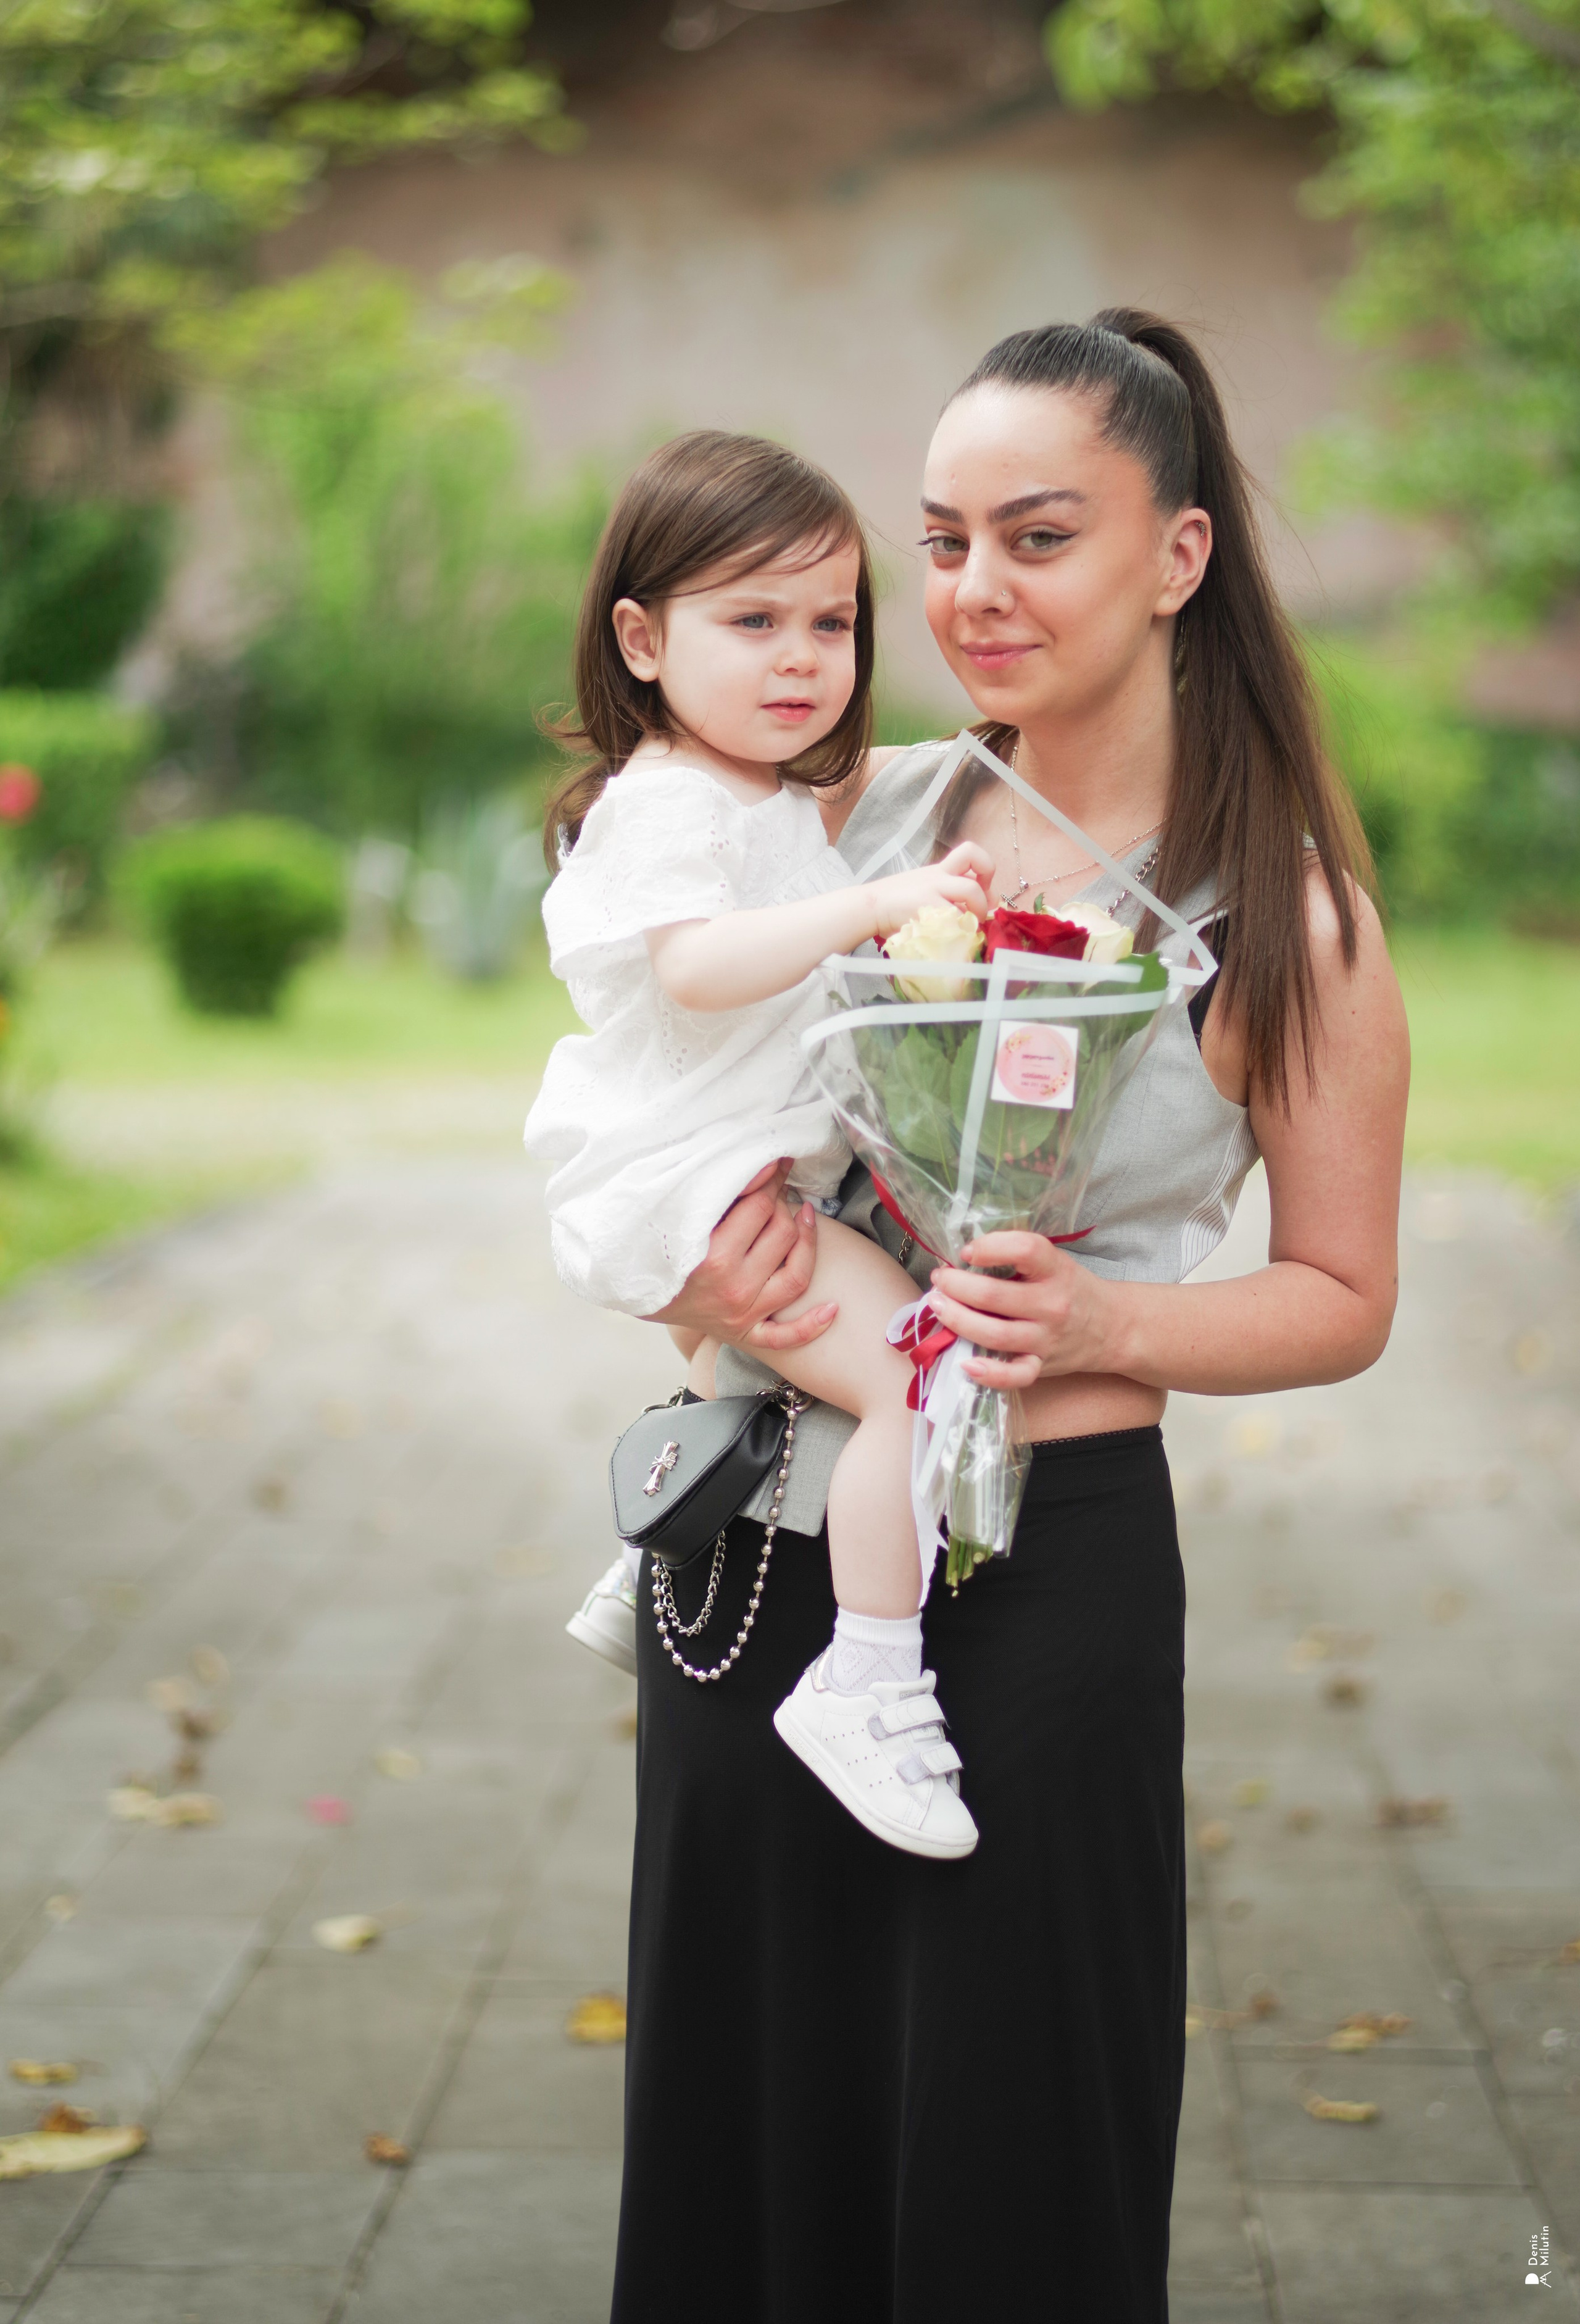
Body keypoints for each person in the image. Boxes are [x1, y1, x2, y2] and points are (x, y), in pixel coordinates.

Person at [609, 312, 1410, 2323]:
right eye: (944, 540)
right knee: (745, 2157)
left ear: (1181, 554)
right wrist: (695, 1271)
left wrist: (1102, 1321)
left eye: (1036, 536)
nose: (971, 592)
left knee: (1008, 2172)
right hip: (763, 1566)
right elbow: (659, 1068)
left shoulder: (1276, 912)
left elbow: (1340, 1299)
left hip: (1051, 1597)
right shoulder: (843, 817)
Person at [529, 429, 996, 1859]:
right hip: (693, 1176)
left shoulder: (766, 795)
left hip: (738, 1167)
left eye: (832, 621)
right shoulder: (669, 798)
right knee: (927, 1375)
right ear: (641, 637)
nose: (800, 657)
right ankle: (865, 1676)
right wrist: (884, 902)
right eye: (752, 620)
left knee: (850, 1354)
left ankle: (653, 1548)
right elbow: (697, 968)